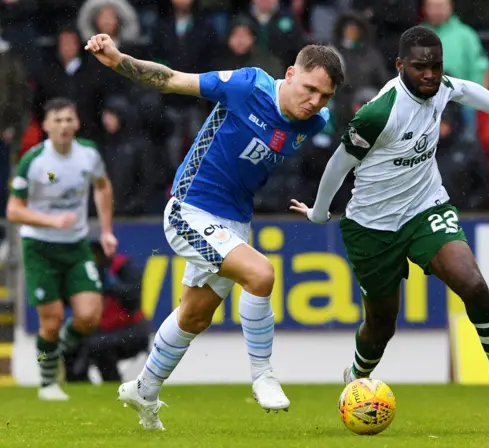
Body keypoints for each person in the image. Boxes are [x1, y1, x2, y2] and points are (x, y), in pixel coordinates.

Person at [290, 26, 489, 407]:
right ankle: (358, 376)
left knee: (473, 284)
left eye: (436, 66)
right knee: (382, 326)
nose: (431, 74)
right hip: (372, 226)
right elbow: (338, 164)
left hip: (425, 207)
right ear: (401, 65)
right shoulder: (378, 114)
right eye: (420, 67)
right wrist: (320, 213)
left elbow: (467, 90)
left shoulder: (440, 87)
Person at [85, 33, 343, 429]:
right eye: (309, 89)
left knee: (195, 316)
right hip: (189, 207)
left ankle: (145, 388)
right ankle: (263, 375)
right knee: (261, 274)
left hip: (235, 221)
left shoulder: (317, 122)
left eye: (324, 96)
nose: (315, 102)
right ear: (290, 74)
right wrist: (119, 59)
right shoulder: (248, 85)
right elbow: (171, 79)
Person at [6, 97, 117, 401]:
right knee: (51, 321)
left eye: (69, 119)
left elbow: (103, 186)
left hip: (76, 246)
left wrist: (106, 231)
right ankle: (47, 383)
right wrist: (50, 221)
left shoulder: (88, 155)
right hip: (39, 247)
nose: (64, 125)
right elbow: (14, 210)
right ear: (45, 126)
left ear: (77, 122)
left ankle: (56, 353)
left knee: (89, 316)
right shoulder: (35, 160)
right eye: (57, 120)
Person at [64, 239, 150, 383]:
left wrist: (113, 285)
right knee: (69, 347)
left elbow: (133, 301)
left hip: (130, 330)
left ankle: (113, 384)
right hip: (98, 331)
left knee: (99, 345)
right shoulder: (79, 274)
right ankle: (79, 387)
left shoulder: (123, 266)